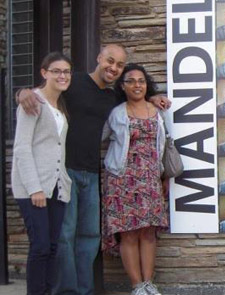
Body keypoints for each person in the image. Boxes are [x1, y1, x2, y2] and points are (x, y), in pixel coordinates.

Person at [16, 44, 170, 295]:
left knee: (89, 237)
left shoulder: (112, 98)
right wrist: (22, 92)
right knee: (65, 237)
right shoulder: (72, 81)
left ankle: (84, 290)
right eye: (110, 61)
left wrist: (152, 97)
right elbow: (43, 91)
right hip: (65, 171)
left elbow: (135, 100)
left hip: (92, 173)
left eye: (119, 65)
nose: (114, 68)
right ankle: (66, 291)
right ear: (99, 58)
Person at [101, 63, 167, 295]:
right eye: (131, 81)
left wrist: (163, 177)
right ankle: (137, 286)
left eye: (141, 81)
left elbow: (163, 145)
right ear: (122, 85)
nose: (137, 85)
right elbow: (100, 137)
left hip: (150, 179)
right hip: (122, 179)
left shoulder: (156, 110)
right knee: (128, 232)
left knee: (148, 232)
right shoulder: (117, 112)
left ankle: (149, 283)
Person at [11, 52, 73, 295]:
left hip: (56, 187)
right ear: (44, 73)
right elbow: (22, 147)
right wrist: (34, 187)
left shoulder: (60, 104)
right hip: (33, 188)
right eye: (56, 70)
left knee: (52, 247)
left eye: (66, 71)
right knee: (40, 247)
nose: (62, 75)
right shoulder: (32, 101)